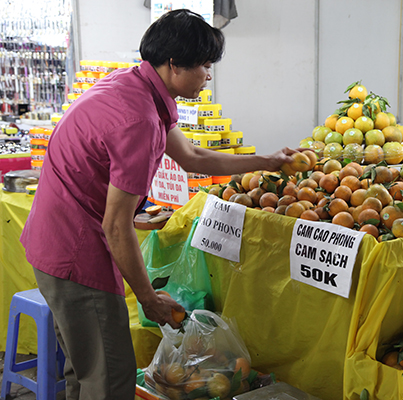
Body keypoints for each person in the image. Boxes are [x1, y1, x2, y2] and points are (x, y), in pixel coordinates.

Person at [20, 9, 294, 400]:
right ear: (173, 65)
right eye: (203, 65)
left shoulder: (134, 85)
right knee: (110, 380)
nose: (208, 75)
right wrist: (148, 298)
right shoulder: (139, 120)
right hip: (76, 254)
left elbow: (194, 158)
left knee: (86, 370)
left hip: (54, 242)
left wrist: (266, 162)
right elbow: (116, 226)